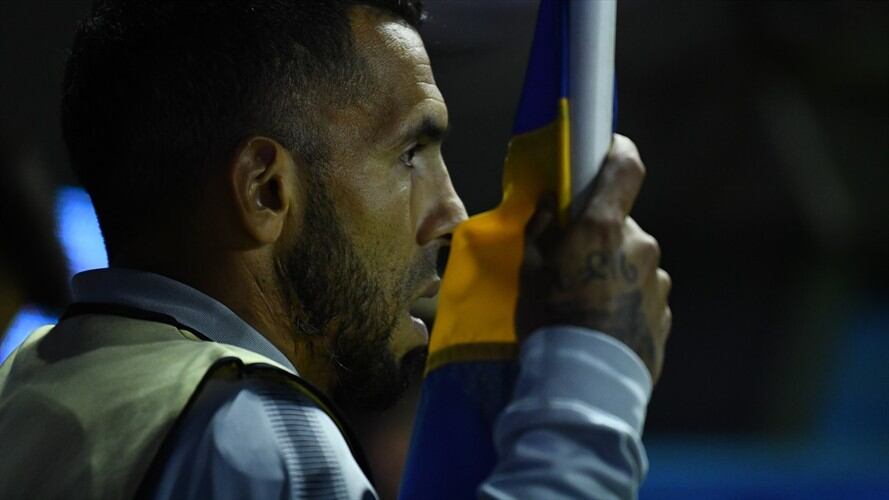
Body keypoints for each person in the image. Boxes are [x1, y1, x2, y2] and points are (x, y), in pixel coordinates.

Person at [0, 1, 671, 499]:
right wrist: (591, 374)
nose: (453, 215)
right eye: (410, 153)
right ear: (265, 192)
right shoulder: (254, 435)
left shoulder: (27, 392)